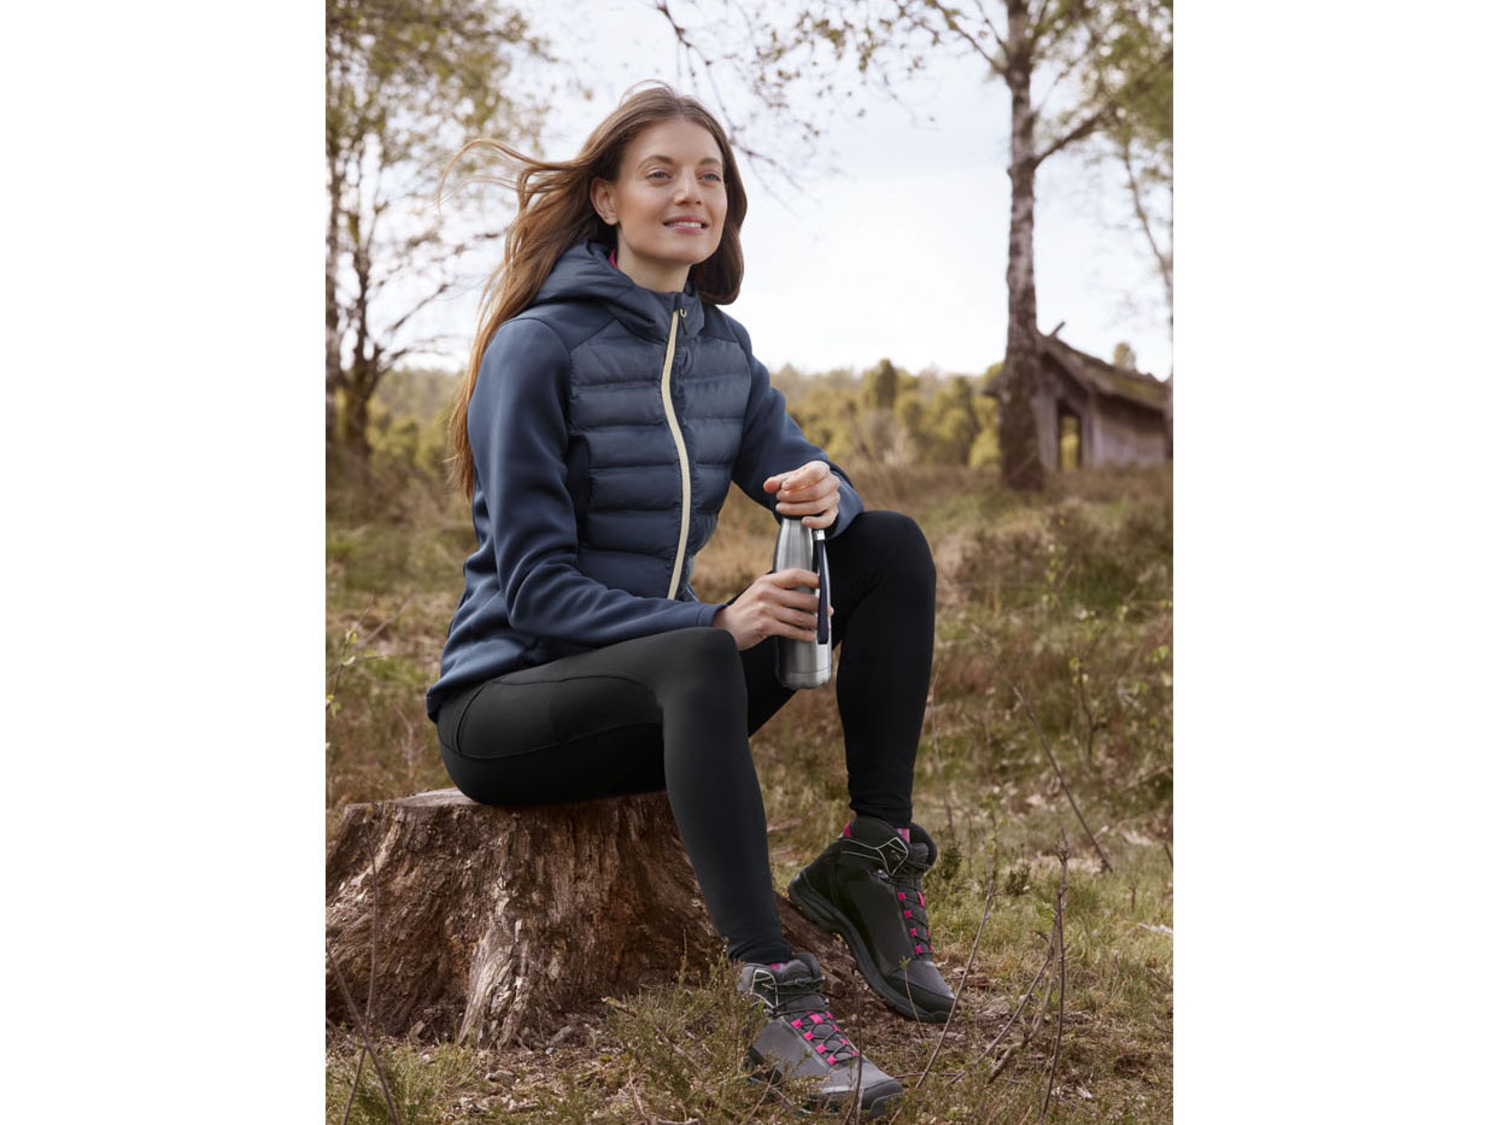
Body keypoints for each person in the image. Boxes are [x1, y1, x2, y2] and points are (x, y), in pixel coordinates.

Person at [428, 83, 952, 1116]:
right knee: (703, 650)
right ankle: (778, 995)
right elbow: (533, 591)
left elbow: (804, 476)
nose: (690, 194)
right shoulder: (538, 348)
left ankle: (871, 856)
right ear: (607, 199)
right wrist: (710, 619)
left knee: (887, 544)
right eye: (660, 174)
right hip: (507, 711)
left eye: (709, 176)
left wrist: (829, 492)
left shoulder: (722, 351)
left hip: (658, 698)